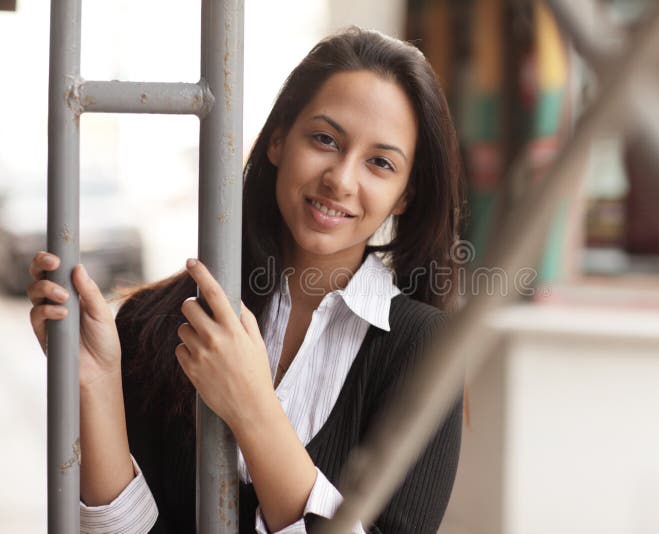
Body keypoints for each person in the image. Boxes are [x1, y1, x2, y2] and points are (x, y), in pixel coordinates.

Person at [28, 27, 464, 533]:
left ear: (405, 195)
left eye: (380, 163)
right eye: (325, 139)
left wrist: (252, 404)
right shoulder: (156, 325)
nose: (341, 179)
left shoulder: (427, 352)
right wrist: (97, 380)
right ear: (277, 139)